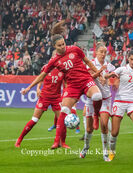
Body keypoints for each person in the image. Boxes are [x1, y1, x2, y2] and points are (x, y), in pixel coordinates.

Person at [21, 20, 104, 149]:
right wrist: (29, 87)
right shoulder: (54, 61)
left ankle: (96, 116)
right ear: (54, 46)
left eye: (63, 44)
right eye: (59, 45)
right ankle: (56, 141)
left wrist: (99, 74)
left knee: (97, 96)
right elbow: (42, 75)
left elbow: (87, 61)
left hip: (85, 79)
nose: (63, 47)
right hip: (72, 86)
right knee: (64, 110)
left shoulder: (75, 49)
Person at [79, 42, 114, 162]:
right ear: (96, 52)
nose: (103, 54)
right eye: (101, 52)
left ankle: (105, 152)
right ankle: (86, 147)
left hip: (105, 99)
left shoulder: (109, 66)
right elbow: (89, 78)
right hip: (92, 99)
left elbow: (111, 78)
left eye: (105, 52)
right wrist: (100, 74)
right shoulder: (91, 63)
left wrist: (109, 80)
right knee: (89, 129)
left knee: (104, 125)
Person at [15, 65, 64, 147]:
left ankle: (58, 142)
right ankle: (19, 140)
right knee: (34, 119)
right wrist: (38, 88)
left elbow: (66, 83)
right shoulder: (46, 67)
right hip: (44, 96)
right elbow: (40, 78)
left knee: (61, 120)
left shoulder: (63, 69)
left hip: (56, 98)